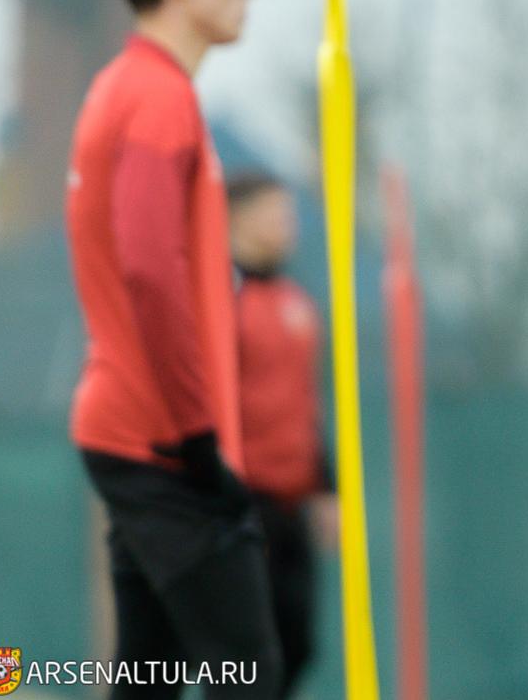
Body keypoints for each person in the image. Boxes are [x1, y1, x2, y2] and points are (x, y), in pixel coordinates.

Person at [66, 0, 281, 695]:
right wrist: (195, 437)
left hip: (135, 431)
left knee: (147, 677)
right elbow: (149, 271)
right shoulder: (157, 98)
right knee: (249, 674)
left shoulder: (127, 88)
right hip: (158, 441)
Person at [226, 170, 338, 699]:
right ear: (237, 218)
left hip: (293, 503)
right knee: (247, 651)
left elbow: (306, 405)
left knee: (299, 644)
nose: (288, 224)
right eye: (275, 212)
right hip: (242, 499)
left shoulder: (298, 302)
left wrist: (327, 488)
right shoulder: (221, 299)